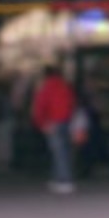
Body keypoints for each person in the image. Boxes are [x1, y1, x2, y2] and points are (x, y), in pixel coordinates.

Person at [30, 64, 79, 195]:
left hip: (52, 122)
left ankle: (65, 181)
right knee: (64, 152)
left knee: (58, 153)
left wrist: (41, 123)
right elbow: (72, 103)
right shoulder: (65, 86)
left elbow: (40, 106)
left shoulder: (46, 87)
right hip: (66, 121)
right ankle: (57, 178)